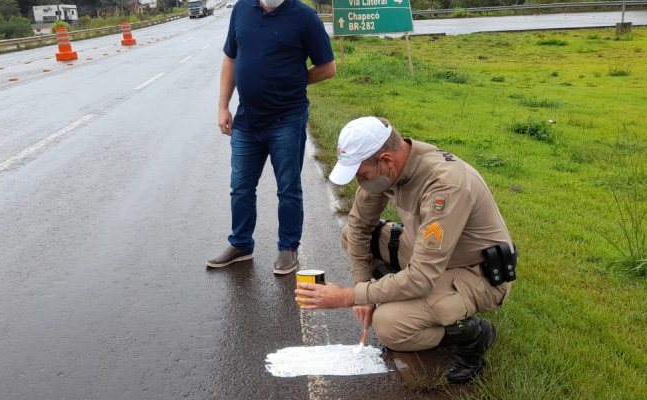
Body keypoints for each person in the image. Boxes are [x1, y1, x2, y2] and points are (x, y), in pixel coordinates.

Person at [295, 116, 516, 383]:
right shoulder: (387, 170)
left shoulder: (444, 187)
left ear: (386, 160)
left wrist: (349, 296)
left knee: (390, 326)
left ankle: (475, 335)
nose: (360, 183)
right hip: (434, 256)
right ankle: (407, 297)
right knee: (350, 238)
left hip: (475, 273)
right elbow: (358, 228)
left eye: (362, 175)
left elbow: (422, 277)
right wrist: (363, 285)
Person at [207, 0, 336, 275]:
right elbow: (231, 58)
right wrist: (222, 106)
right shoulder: (242, 9)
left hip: (286, 119)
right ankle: (241, 244)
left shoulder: (304, 17)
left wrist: (293, 81)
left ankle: (288, 248)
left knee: (287, 188)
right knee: (240, 187)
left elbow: (327, 67)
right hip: (247, 119)